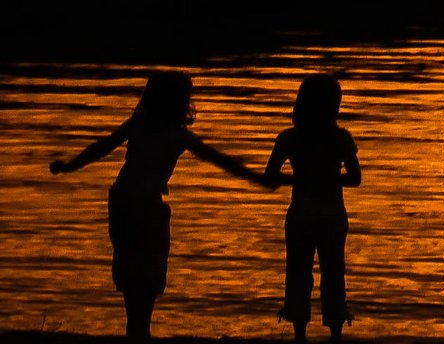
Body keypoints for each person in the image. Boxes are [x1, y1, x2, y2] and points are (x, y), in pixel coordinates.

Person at [49, 71, 274, 339]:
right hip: (144, 206)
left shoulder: (137, 125)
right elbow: (221, 160)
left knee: (131, 265)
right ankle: (140, 327)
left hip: (122, 199)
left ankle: (136, 326)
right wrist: (259, 179)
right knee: (148, 268)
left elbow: (103, 146)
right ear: (181, 103)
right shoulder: (178, 136)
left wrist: (69, 166)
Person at [265, 73, 361, 342]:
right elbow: (355, 178)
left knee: (297, 272)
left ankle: (299, 335)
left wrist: (300, 178)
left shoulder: (289, 138)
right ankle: (335, 334)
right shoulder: (341, 138)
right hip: (332, 212)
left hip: (301, 211)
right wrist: (328, 178)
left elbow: (270, 175)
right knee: (334, 272)